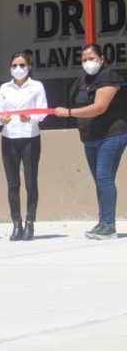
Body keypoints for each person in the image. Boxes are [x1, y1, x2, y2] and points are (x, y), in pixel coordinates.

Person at [54, 43, 127, 239]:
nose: (88, 63)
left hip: (111, 135)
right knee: (100, 181)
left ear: (101, 59)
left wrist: (68, 112)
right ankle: (103, 222)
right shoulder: (82, 81)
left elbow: (99, 107)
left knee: (104, 178)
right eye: (84, 60)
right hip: (90, 137)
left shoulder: (109, 77)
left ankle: (109, 226)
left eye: (92, 59)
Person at [0, 52, 48, 241]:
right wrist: (1, 118)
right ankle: (16, 223)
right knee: (12, 184)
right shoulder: (4, 88)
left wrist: (30, 117)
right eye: (15, 65)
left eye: (22, 65)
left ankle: (30, 223)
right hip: (9, 137)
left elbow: (42, 111)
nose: (18, 69)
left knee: (31, 183)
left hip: (30, 138)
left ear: (29, 67)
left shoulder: (37, 86)